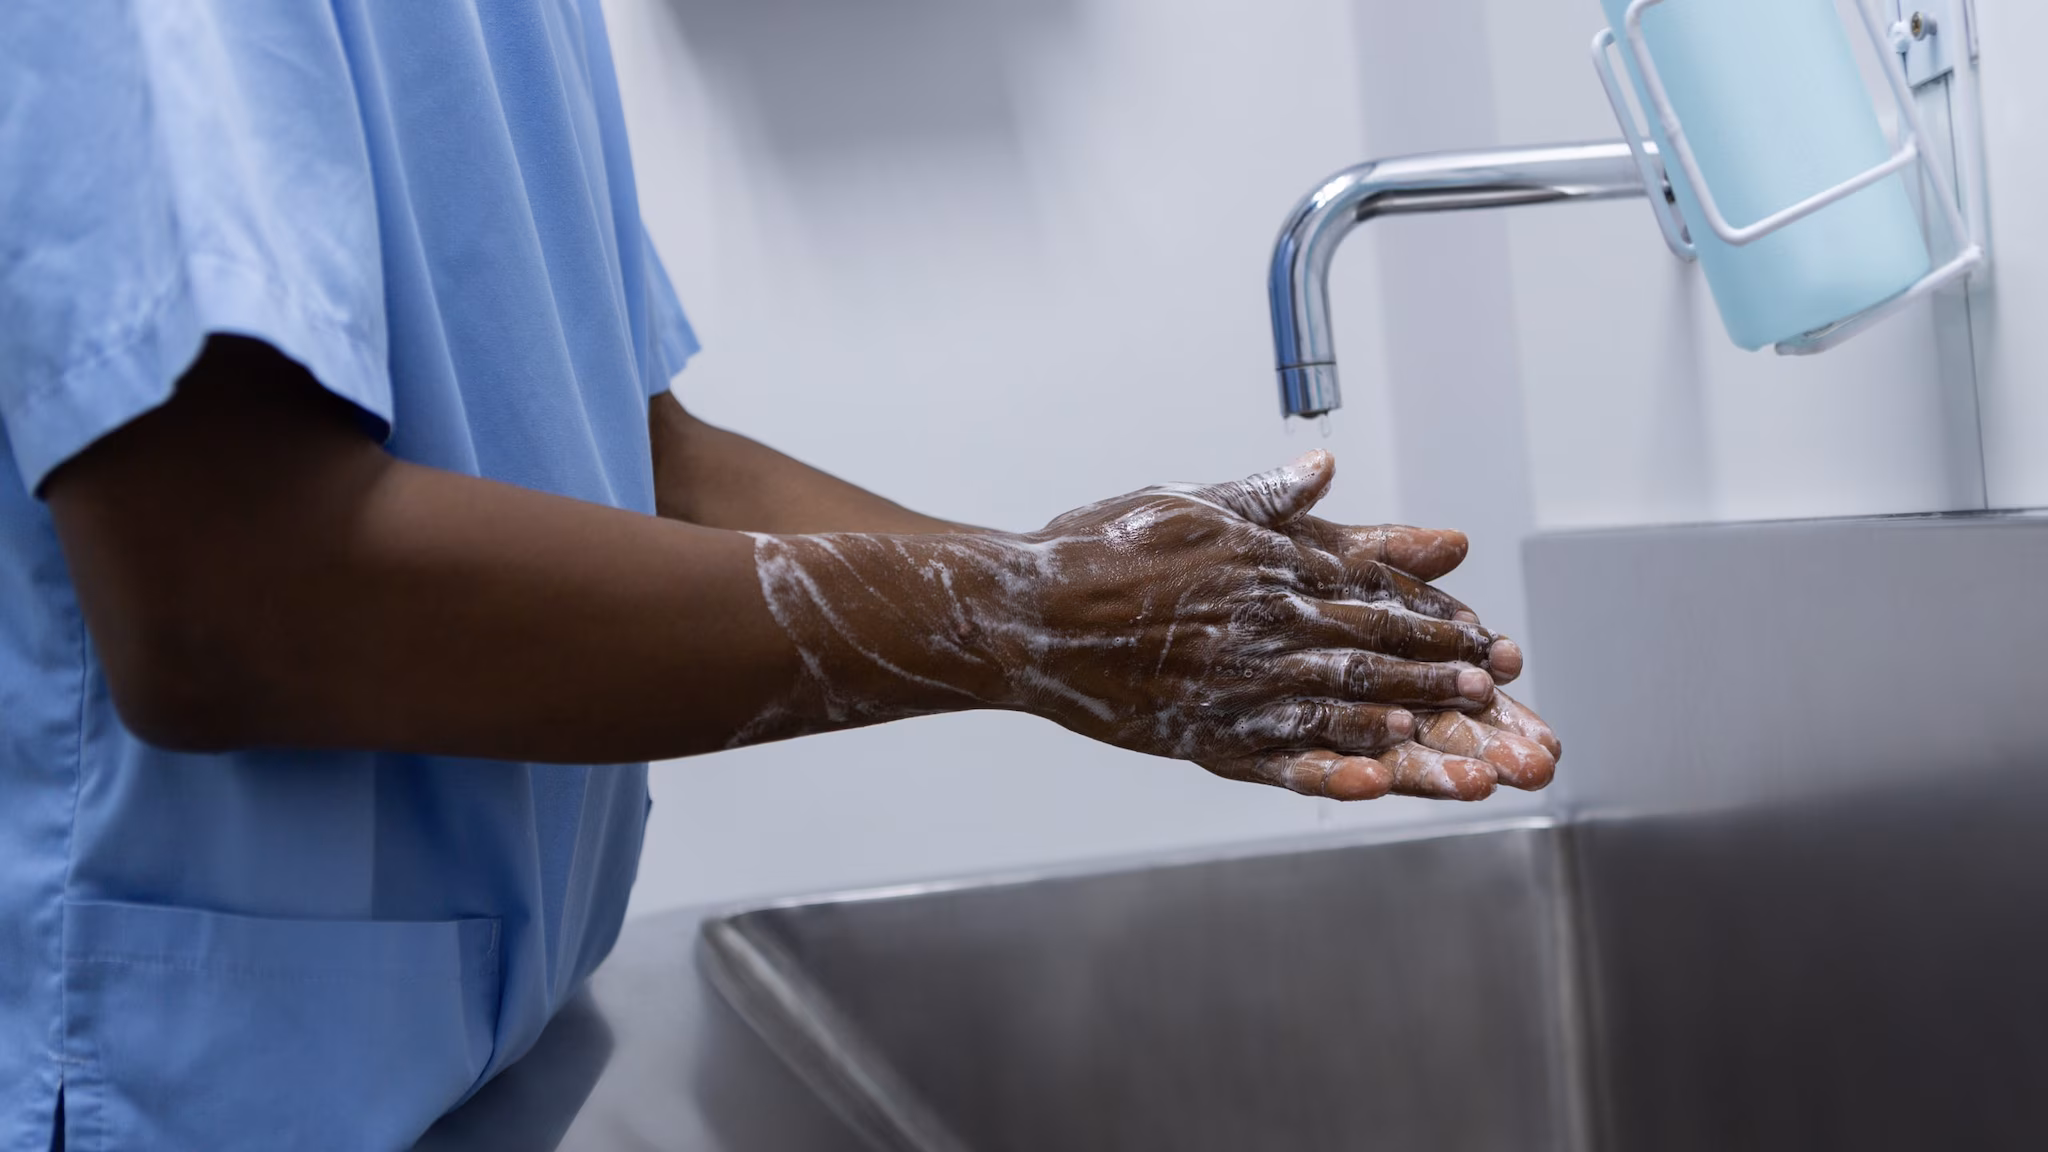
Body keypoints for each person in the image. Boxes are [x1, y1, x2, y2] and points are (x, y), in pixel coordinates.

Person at [0, 3, 1558, 1149]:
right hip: (173, 1096)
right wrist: (1044, 624)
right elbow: (232, 600)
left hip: (456, 1074)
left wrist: (1086, 595)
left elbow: (635, 453)